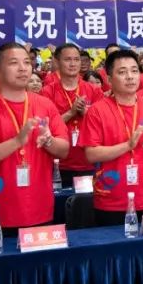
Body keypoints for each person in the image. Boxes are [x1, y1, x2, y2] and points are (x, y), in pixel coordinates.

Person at [0, 43, 69, 234]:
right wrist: (17, 142)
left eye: (27, 62)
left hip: (39, 207)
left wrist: (49, 140)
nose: (23, 68)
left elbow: (64, 150)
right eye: (14, 63)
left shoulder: (45, 104)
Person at [80, 49, 143, 226]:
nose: (130, 77)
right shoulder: (97, 110)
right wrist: (128, 145)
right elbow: (91, 154)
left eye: (134, 71)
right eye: (122, 72)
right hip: (111, 199)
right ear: (109, 79)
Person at [41, 43, 103, 187]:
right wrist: (71, 113)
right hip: (57, 165)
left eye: (76, 59)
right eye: (68, 59)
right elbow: (45, 129)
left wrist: (86, 113)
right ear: (57, 62)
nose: (73, 64)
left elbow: (104, 125)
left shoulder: (94, 91)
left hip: (88, 162)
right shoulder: (47, 92)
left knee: (86, 201)